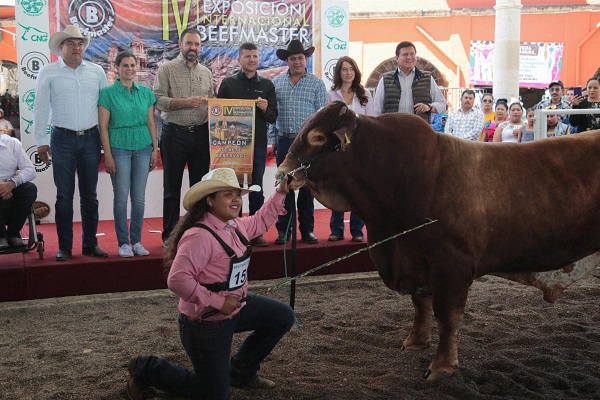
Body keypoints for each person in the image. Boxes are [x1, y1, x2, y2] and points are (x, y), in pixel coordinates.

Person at [125, 168, 295, 400]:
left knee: (283, 316)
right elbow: (177, 279)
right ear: (209, 201)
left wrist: (280, 192)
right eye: (227, 194)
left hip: (235, 308)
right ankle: (147, 368)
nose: (236, 199)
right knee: (212, 394)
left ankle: (241, 371)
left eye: (237, 194)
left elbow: (261, 221)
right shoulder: (199, 236)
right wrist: (217, 301)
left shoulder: (235, 226)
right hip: (204, 323)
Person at [33, 25, 108, 261]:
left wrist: (107, 140)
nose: (77, 47)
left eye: (80, 43)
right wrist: (41, 141)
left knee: (90, 196)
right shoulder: (48, 71)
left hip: (91, 138)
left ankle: (90, 244)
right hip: (61, 139)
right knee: (64, 195)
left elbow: (105, 109)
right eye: (71, 43)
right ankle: (65, 247)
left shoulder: (97, 71)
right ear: (61, 47)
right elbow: (40, 108)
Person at [153, 28, 215, 248]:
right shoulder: (167, 69)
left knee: (200, 188)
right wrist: (184, 102)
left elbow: (213, 102)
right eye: (189, 43)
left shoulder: (206, 72)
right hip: (174, 135)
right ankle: (169, 234)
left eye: (197, 44)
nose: (193, 48)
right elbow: (158, 99)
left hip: (200, 135)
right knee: (172, 188)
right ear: (181, 44)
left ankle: (197, 232)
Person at [217, 42, 278, 247]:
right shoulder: (228, 83)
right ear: (239, 59)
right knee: (231, 189)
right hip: (232, 145)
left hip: (258, 145)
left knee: (256, 188)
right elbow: (217, 114)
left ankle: (255, 231)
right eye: (247, 56)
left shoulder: (267, 86)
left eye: (255, 56)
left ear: (258, 59)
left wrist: (265, 108)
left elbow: (272, 117)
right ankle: (231, 229)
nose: (251, 60)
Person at [98, 51, 158, 258]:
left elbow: (151, 122)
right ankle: (124, 243)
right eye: (125, 65)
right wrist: (107, 155)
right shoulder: (107, 94)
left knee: (139, 199)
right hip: (119, 148)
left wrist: (155, 149)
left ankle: (137, 241)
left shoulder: (146, 92)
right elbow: (103, 126)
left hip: (143, 147)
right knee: (121, 198)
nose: (130, 69)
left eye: (133, 65)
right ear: (117, 68)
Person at [272, 40, 327, 244]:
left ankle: (307, 230)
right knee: (283, 187)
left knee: (306, 188)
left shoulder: (316, 83)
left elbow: (322, 118)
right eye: (293, 58)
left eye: (300, 58)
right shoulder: (276, 83)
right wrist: (273, 140)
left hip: (307, 145)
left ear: (306, 59)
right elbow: (273, 114)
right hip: (284, 140)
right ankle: (283, 231)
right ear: (287, 61)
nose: (297, 62)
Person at [326, 56, 374, 242]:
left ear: (356, 72)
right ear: (339, 73)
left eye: (351, 69)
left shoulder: (365, 94)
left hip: (360, 150)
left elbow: (372, 121)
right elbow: (326, 123)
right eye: (344, 69)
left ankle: (357, 230)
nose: (348, 73)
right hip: (337, 150)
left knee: (359, 190)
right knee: (338, 188)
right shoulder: (330, 94)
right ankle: (336, 230)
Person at [373, 41, 447, 122]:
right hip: (392, 130)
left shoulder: (427, 78)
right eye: (405, 54)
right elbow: (377, 110)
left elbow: (442, 104)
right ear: (397, 58)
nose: (409, 57)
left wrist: (428, 107)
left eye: (412, 54)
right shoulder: (385, 79)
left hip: (419, 130)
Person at [0, 132, 37, 249]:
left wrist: (11, 184)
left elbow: (30, 170)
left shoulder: (12, 143)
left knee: (30, 189)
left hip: (11, 186)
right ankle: (1, 236)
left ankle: (13, 234)